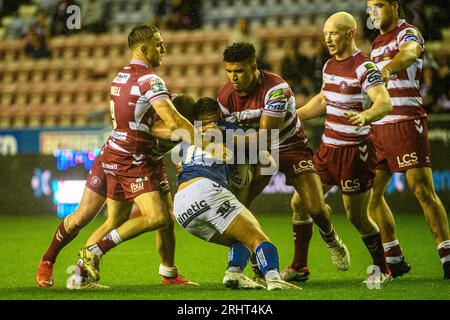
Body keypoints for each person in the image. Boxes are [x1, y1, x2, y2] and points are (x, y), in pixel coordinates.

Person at [76, 25, 221, 285]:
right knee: (156, 217)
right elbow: (171, 121)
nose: (164, 49)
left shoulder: (126, 76)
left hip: (139, 158)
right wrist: (204, 143)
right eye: (159, 45)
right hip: (132, 159)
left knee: (158, 218)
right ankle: (92, 254)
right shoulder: (151, 81)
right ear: (144, 49)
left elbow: (169, 117)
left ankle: (167, 274)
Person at [217, 42, 350, 283]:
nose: (233, 77)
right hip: (257, 152)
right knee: (239, 208)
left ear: (254, 67)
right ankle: (241, 267)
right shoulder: (225, 97)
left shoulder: (276, 89)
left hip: (290, 147)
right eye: (229, 71)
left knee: (316, 208)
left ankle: (330, 236)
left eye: (239, 71)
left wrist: (231, 141)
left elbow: (269, 136)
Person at [36, 94, 196, 288]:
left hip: (147, 163)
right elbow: (155, 128)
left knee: (163, 219)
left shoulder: (181, 111)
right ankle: (48, 260)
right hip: (118, 159)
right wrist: (187, 133)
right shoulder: (159, 113)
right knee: (83, 217)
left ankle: (168, 274)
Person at [288, 12, 394, 284]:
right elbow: (323, 99)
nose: (328, 39)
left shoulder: (364, 67)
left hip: (354, 152)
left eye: (333, 34)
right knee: (299, 204)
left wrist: (366, 116)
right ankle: (300, 267)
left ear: (349, 34)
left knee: (357, 217)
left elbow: (384, 103)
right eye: (325, 35)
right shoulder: (329, 65)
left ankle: (383, 269)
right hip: (327, 150)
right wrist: (295, 114)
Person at [173, 97, 300, 290]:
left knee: (241, 239)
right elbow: (268, 163)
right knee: (259, 238)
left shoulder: (187, 137)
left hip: (182, 207)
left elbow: (179, 166)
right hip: (207, 190)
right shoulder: (230, 130)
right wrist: (246, 176)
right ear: (219, 115)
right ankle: (273, 278)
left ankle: (234, 273)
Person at [367, 0, 450, 279]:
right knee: (372, 197)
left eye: (379, 5)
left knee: (423, 190)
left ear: (394, 6)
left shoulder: (407, 31)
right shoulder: (376, 43)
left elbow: (411, 52)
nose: (373, 12)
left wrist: (389, 68)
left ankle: (448, 257)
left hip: (405, 120)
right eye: (369, 7)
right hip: (378, 127)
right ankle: (395, 258)